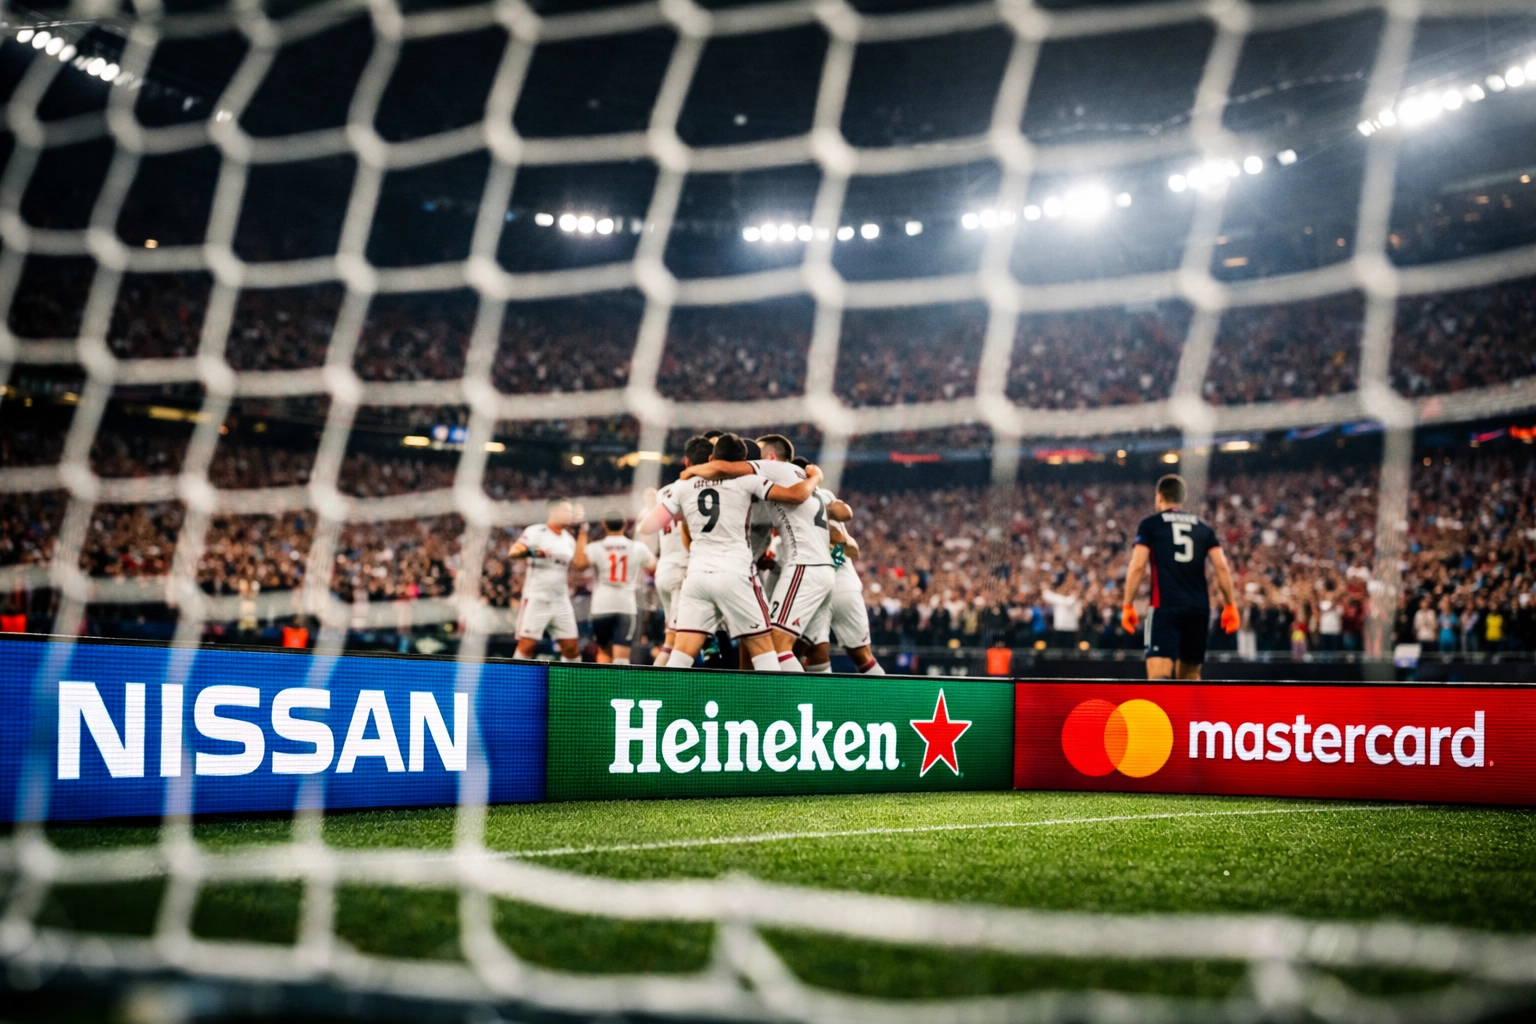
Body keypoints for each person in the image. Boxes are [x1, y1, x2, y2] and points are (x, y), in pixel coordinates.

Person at [639, 433, 820, 670]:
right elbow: (795, 496)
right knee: (765, 654)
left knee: (680, 655)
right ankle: (776, 696)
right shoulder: (748, 481)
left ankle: (663, 694)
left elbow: (647, 526)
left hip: (697, 577)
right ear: (742, 461)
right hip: (736, 573)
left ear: (711, 458)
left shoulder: (684, 486)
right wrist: (815, 477)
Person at [681, 433, 837, 671]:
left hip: (799, 566)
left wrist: (690, 472)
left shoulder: (764, 475)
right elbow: (842, 513)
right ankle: (754, 682)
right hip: (816, 567)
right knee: (794, 646)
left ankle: (785, 695)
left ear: (770, 457)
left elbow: (723, 467)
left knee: (775, 645)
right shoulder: (795, 477)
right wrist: (816, 479)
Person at [1119, 474, 1239, 680]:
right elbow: (1221, 566)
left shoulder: (1150, 524)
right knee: (1190, 678)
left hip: (1165, 607)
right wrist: (1230, 605)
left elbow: (1137, 566)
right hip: (1198, 609)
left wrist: (1127, 604)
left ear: (1159, 497)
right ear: (1182, 498)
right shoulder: (1203, 527)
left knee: (1159, 678)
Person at [651, 435, 714, 664]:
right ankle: (655, 683)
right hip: (684, 571)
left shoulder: (664, 492)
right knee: (676, 643)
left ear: (686, 462)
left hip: (664, 570)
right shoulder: (704, 490)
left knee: (676, 639)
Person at [508, 497, 588, 663]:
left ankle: (570, 680)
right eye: (566, 511)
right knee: (527, 646)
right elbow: (513, 552)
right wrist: (538, 553)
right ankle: (512, 679)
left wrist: (583, 532)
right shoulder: (536, 531)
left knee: (571, 648)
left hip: (561, 600)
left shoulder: (568, 539)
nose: (570, 514)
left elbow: (580, 564)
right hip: (537, 598)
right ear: (553, 511)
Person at [587, 510, 656, 664]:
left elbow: (580, 564)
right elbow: (654, 566)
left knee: (604, 654)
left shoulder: (595, 547)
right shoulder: (637, 547)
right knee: (621, 659)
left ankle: (603, 680)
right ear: (624, 524)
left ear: (603, 524)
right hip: (626, 606)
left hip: (601, 606)